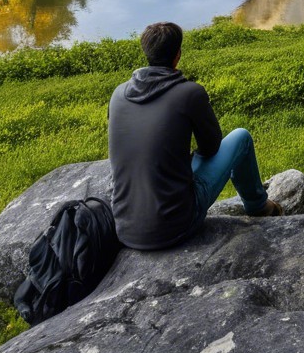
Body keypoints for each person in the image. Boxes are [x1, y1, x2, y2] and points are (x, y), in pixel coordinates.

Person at [108, 20, 282, 249]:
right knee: (241, 138)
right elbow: (211, 147)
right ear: (178, 54)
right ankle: (259, 206)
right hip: (176, 225)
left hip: (124, 226)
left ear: (146, 52)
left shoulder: (118, 94)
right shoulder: (189, 93)